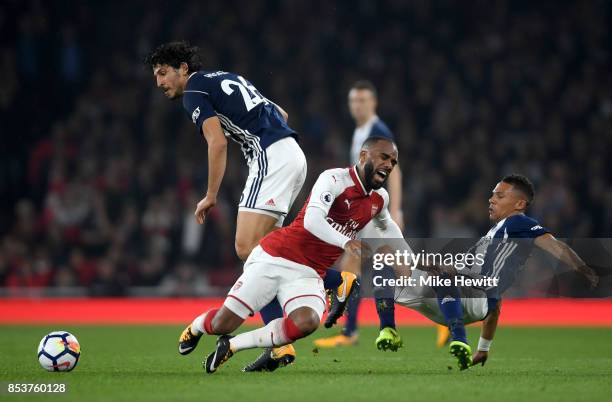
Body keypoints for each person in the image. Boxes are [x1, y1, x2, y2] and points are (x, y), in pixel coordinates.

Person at [144, 41, 308, 366]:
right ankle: (281, 344)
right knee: (266, 256)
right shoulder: (225, 78)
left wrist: (210, 195)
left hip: (270, 157)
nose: (159, 82)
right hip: (293, 154)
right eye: (155, 76)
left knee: (247, 248)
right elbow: (282, 114)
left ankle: (335, 281)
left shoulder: (193, 92)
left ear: (183, 69)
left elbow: (217, 143)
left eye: (163, 73)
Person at [179, 137, 402, 373]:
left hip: (309, 273)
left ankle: (232, 345)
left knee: (307, 322)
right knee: (221, 323)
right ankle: (196, 327)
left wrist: (407, 258)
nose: (389, 165)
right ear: (364, 156)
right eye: (384, 157)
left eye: (394, 162)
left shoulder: (380, 199)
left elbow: (388, 228)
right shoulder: (334, 179)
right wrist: (346, 241)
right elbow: (312, 219)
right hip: (276, 256)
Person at [373, 174, 599, 370]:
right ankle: (388, 330)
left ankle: (458, 337)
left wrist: (583, 268)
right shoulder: (494, 235)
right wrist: (484, 348)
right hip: (454, 297)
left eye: (500, 196)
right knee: (385, 259)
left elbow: (556, 246)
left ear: (519, 204)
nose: (491, 199)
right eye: (492, 195)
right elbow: (495, 303)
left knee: (441, 271)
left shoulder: (520, 223)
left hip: (467, 294)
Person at [315, 80, 405, 348]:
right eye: (354, 101)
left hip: (373, 209)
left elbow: (395, 171)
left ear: (373, 103)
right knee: (365, 265)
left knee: (368, 266)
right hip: (369, 207)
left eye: (363, 101)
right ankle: (356, 329)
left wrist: (395, 210)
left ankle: (356, 330)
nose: (358, 105)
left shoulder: (378, 130)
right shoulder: (362, 130)